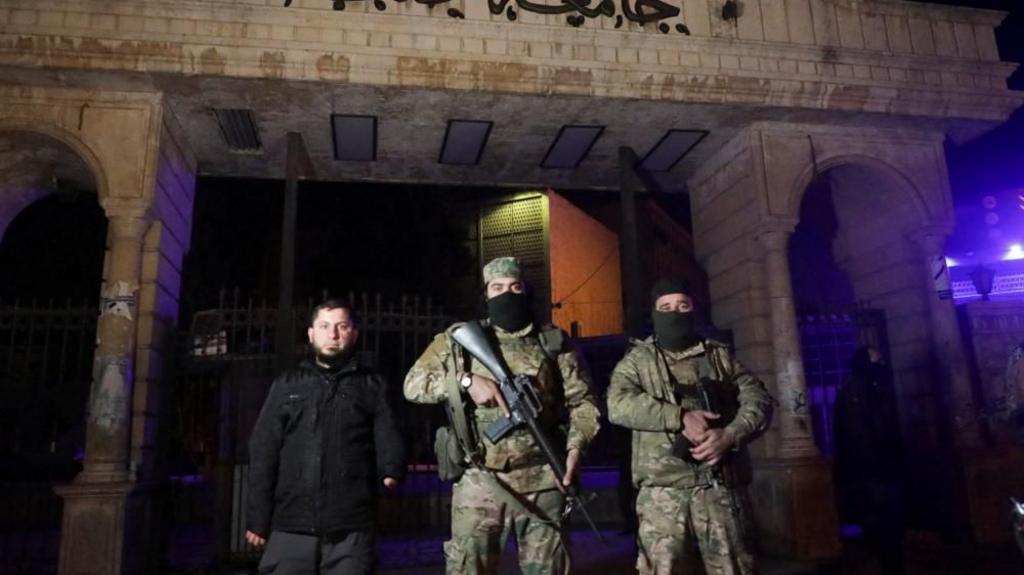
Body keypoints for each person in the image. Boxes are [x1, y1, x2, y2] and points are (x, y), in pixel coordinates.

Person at [404, 256, 601, 575]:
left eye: (515, 286)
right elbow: (413, 385)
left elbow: (585, 403)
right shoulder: (458, 342)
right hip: (481, 479)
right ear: (486, 295)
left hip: (544, 480)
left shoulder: (551, 341)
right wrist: (466, 382)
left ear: (526, 291)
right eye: (497, 288)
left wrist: (575, 450)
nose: (507, 294)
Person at [607, 278, 772, 575]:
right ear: (654, 313)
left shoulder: (719, 357)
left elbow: (758, 400)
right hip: (662, 494)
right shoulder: (637, 361)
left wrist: (731, 434)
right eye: (666, 307)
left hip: (719, 489)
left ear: (694, 310)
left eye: (682, 306)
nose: (675, 313)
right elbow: (618, 405)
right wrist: (679, 416)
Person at [245, 299, 406, 575]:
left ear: (353, 334)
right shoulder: (287, 384)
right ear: (310, 333)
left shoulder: (372, 384)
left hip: (351, 526)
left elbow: (387, 432)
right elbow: (263, 449)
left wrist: (392, 469)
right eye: (324, 326)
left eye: (341, 326)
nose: (333, 335)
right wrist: (258, 516)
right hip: (291, 522)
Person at [833, 346, 906, 575]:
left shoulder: (873, 387)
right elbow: (859, 432)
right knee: (881, 522)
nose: (881, 362)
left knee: (888, 523)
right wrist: (875, 464)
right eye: (876, 358)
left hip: (882, 468)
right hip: (872, 471)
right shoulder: (857, 390)